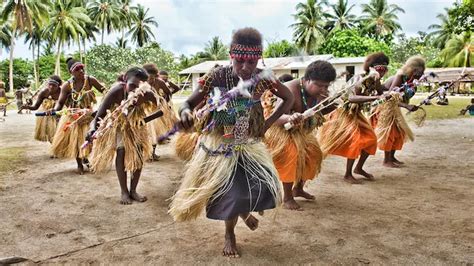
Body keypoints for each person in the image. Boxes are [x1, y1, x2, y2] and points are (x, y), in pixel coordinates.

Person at [169, 27, 294, 258]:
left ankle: (244, 212)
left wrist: (268, 123)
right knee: (231, 193)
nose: (246, 67)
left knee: (261, 187)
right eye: (240, 61)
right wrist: (186, 112)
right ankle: (230, 233)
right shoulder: (216, 76)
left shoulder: (264, 78)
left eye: (252, 62)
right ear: (230, 55)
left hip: (248, 142)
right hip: (221, 143)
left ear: (259, 58)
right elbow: (187, 103)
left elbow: (288, 98)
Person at [264, 60, 336, 210]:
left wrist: (333, 103)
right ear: (307, 79)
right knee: (291, 154)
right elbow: (275, 117)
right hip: (281, 131)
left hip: (301, 131)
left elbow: (319, 112)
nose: (323, 89)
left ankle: (298, 188)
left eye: (326, 86)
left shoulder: (319, 93)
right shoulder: (290, 90)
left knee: (313, 155)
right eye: (319, 85)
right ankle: (287, 197)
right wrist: (291, 117)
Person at [318, 52, 391, 184]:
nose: (383, 72)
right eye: (380, 68)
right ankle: (348, 174)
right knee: (356, 141)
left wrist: (394, 92)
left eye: (386, 69)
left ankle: (359, 168)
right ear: (371, 67)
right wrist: (376, 97)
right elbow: (352, 98)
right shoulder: (360, 78)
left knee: (372, 140)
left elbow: (383, 91)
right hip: (344, 113)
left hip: (356, 114)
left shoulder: (375, 81)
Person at [88, 67, 158, 204]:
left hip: (138, 125)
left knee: (138, 155)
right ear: (125, 80)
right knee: (121, 152)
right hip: (120, 124)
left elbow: (162, 107)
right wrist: (92, 130)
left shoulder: (147, 94)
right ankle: (124, 191)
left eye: (139, 87)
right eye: (132, 85)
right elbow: (98, 115)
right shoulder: (116, 91)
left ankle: (133, 190)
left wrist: (144, 114)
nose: (134, 90)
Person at [50, 57, 106, 174]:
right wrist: (55, 111)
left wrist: (100, 109)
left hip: (88, 116)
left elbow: (106, 92)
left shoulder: (90, 80)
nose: (81, 71)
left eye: (82, 68)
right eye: (77, 69)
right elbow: (60, 102)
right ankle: (79, 164)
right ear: (71, 72)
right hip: (73, 117)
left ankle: (86, 159)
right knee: (76, 143)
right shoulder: (67, 86)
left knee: (90, 140)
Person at [373, 56, 425, 167]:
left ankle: (391, 157)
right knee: (389, 133)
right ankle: (387, 160)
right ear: (412, 69)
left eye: (421, 73)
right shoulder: (400, 77)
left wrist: (409, 106)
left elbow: (404, 96)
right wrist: (406, 106)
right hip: (386, 107)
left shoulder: (412, 81)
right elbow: (390, 97)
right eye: (418, 72)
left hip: (395, 108)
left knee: (400, 133)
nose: (420, 75)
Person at [22, 76, 63, 143]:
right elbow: (35, 107)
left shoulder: (62, 92)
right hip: (46, 116)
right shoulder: (43, 92)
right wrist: (28, 107)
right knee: (51, 133)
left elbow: (61, 104)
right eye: (50, 84)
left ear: (59, 85)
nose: (51, 87)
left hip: (59, 113)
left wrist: (55, 110)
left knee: (60, 132)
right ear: (47, 84)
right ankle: (54, 146)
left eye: (54, 85)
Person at [143, 63, 172, 160]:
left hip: (156, 111)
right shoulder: (141, 84)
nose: (150, 81)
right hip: (145, 110)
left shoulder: (160, 82)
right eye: (148, 78)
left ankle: (152, 153)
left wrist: (164, 103)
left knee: (154, 132)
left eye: (152, 78)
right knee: (146, 133)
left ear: (155, 76)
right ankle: (146, 153)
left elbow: (168, 93)